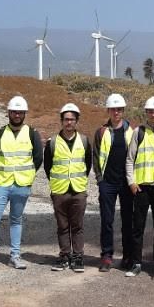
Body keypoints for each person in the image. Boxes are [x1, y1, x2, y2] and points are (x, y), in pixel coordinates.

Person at [0, 95, 43, 270]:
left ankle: (15, 256)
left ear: (24, 114)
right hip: (0, 183)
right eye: (14, 112)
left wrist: (27, 176)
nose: (17, 115)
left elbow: (38, 158)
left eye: (20, 112)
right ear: (8, 113)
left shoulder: (32, 133)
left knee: (16, 220)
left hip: (21, 185)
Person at [44, 103, 94, 272]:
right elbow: (47, 166)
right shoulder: (52, 142)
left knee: (77, 225)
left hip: (78, 190)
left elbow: (88, 164)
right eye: (66, 119)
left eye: (72, 119)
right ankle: (64, 256)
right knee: (62, 226)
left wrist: (78, 180)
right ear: (61, 121)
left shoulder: (85, 141)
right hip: (59, 190)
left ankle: (78, 257)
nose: (69, 123)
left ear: (77, 121)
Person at [93, 93, 134, 273]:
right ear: (108, 111)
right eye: (113, 109)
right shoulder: (101, 132)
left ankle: (128, 256)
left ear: (123, 111)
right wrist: (100, 180)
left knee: (128, 221)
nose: (116, 112)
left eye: (119, 109)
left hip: (126, 183)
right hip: (108, 183)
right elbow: (95, 157)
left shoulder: (132, 132)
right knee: (107, 221)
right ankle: (107, 256)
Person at [126, 96, 154, 277]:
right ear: (146, 112)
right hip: (141, 187)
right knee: (138, 227)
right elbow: (130, 159)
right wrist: (131, 182)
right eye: (150, 111)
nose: (153, 114)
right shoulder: (138, 132)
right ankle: (136, 262)